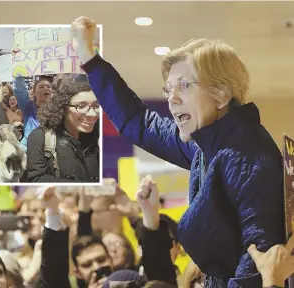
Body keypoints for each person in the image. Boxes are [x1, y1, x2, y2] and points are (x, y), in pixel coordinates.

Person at [71, 17, 284, 287]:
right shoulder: (211, 146)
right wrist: (90, 58)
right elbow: (140, 122)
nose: (171, 99)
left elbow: (257, 265)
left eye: (184, 85)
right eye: (168, 89)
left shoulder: (245, 155)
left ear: (221, 94)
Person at [38, 179, 176, 288]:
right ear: (77, 272)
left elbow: (160, 278)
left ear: (110, 259)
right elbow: (53, 279)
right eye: (87, 265)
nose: (97, 268)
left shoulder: (130, 279)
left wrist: (148, 216)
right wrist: (53, 214)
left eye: (101, 260)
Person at [26, 82, 100, 183]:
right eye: (81, 106)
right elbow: (36, 178)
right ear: (63, 108)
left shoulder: (100, 136)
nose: (92, 114)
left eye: (96, 106)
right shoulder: (40, 137)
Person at [21, 76, 53, 151]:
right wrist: (20, 72)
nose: (45, 88)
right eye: (41, 87)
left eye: (48, 86)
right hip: (28, 149)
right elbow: (20, 90)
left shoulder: (57, 109)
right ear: (34, 92)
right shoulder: (28, 106)